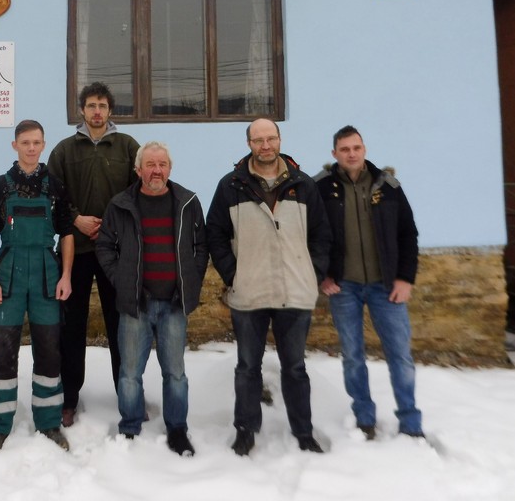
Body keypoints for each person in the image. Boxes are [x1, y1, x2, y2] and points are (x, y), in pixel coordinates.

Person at [206, 118, 331, 457]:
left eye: (270, 138)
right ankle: (245, 430)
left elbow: (322, 235)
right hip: (250, 293)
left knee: (295, 368)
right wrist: (234, 275)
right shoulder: (231, 185)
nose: (265, 145)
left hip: (295, 291)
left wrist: (312, 273)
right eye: (258, 140)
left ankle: (303, 432)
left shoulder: (303, 185)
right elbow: (215, 234)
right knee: (248, 367)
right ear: (249, 144)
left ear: (279, 140)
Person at [96, 141, 208, 456]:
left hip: (174, 304)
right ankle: (130, 426)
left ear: (169, 168)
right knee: (130, 373)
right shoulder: (121, 204)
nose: (156, 170)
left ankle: (177, 429)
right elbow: (105, 246)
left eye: (162, 164)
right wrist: (121, 280)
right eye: (150, 164)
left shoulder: (187, 202)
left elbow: (201, 246)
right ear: (138, 170)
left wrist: (192, 280)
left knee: (175, 373)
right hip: (136, 305)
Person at [314, 125, 423, 440]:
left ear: (364, 149)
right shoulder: (320, 188)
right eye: (344, 149)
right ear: (334, 153)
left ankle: (410, 422)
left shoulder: (387, 186)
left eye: (356, 148)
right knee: (352, 356)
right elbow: (310, 236)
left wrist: (405, 278)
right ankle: (364, 417)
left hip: (386, 286)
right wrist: (322, 276)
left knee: (400, 355)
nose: (351, 154)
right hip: (344, 287)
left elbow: (408, 234)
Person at [48, 82, 140, 427]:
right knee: (71, 326)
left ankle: (128, 395)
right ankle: (68, 398)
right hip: (75, 249)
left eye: (102, 105)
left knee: (122, 325)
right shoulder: (64, 150)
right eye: (91, 106)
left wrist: (112, 225)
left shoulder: (128, 146)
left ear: (110, 110)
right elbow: (53, 195)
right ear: (82, 110)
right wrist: (76, 219)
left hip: (116, 251)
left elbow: (138, 193)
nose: (97, 111)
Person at [0, 120, 75, 451]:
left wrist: (66, 276)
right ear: (15, 145)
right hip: (9, 276)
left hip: (47, 276)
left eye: (36, 142)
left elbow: (67, 234)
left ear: (43, 144)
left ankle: (48, 423)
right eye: (25, 142)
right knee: (2, 351)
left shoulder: (56, 187)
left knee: (49, 351)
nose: (31, 148)